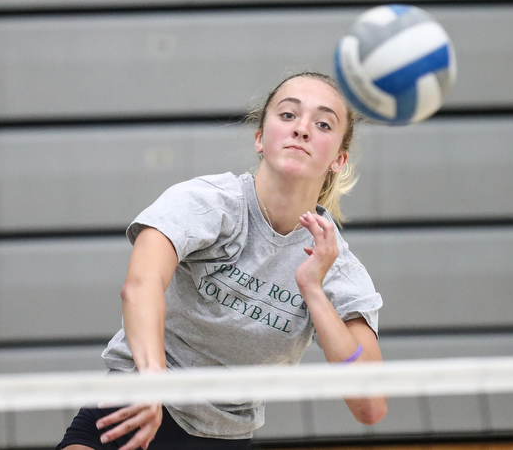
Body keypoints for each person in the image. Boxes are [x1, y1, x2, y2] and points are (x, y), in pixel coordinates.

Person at [57, 72, 387, 450]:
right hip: (136, 406)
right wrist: (150, 383)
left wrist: (314, 291)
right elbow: (140, 285)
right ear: (260, 138)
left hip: (222, 438)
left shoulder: (338, 268)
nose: (302, 129)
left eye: (323, 123)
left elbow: (371, 405)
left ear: (339, 161)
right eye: (288, 115)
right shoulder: (208, 204)